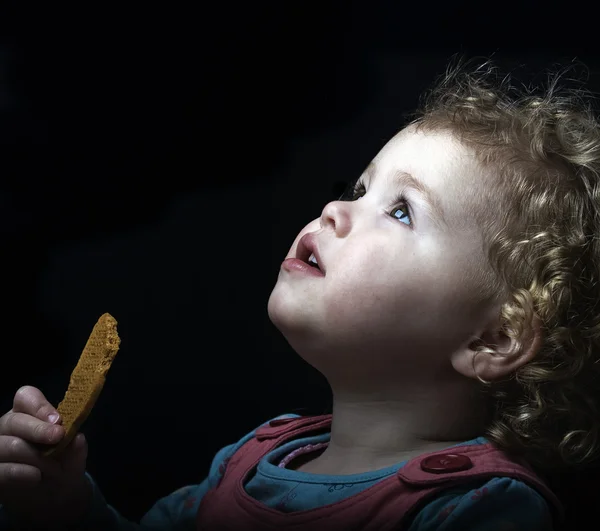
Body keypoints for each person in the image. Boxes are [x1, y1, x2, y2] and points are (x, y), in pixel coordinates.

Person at [2, 55, 600, 530]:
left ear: (494, 336)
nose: (336, 208)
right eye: (359, 188)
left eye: (399, 211)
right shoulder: (251, 460)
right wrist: (65, 508)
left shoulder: (476, 508)